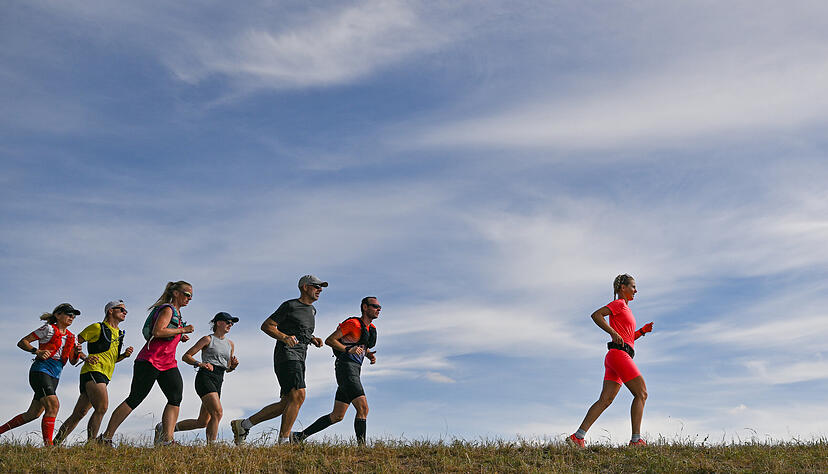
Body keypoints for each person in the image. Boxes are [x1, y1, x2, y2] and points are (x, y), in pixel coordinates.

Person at [231, 275, 326, 445]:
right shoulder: (290, 305)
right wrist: (284, 337)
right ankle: (284, 442)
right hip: (286, 355)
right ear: (305, 287)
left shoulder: (312, 310)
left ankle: (243, 425)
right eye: (316, 286)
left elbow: (300, 330)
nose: (320, 290)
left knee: (287, 403)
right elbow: (267, 325)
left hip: (300, 357)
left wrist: (312, 339)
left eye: (321, 287)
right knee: (299, 394)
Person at [100, 281, 195, 446]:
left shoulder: (177, 314)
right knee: (135, 398)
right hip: (149, 360)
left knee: (175, 397)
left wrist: (179, 336)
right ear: (176, 293)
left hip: (168, 363)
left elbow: (166, 333)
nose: (189, 298)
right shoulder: (168, 309)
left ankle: (167, 440)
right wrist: (182, 330)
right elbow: (157, 332)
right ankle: (106, 438)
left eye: (191, 296)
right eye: (187, 294)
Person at [566, 274, 654, 448]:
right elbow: (597, 315)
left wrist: (642, 331)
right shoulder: (619, 304)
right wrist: (612, 332)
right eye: (633, 287)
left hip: (618, 355)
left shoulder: (626, 309)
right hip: (619, 356)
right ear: (623, 288)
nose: (636, 290)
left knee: (605, 399)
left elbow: (627, 338)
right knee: (641, 393)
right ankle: (636, 441)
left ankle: (577, 437)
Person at [292, 296, 380, 445]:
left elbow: (358, 346)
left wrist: (367, 354)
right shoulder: (352, 323)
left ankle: (298, 437)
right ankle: (362, 449)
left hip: (354, 370)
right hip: (346, 369)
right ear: (365, 307)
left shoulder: (371, 329)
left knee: (337, 415)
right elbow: (330, 340)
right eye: (375, 306)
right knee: (363, 408)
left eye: (379, 307)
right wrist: (347, 349)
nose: (378, 309)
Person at [0, 303, 86, 446]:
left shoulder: (73, 337)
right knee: (53, 405)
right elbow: (22, 342)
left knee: (33, 414)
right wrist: (36, 351)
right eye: (68, 314)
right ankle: (49, 447)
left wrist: (77, 353)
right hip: (40, 371)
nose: (72, 317)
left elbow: (72, 361)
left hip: (55, 376)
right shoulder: (48, 329)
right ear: (58, 315)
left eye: (74, 315)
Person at [53, 300, 135, 445]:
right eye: (122, 310)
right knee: (102, 407)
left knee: (79, 413)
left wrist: (124, 355)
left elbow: (112, 359)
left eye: (125, 311)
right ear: (110, 311)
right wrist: (84, 357)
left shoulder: (119, 333)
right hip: (92, 372)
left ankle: (54, 444)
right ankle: (91, 444)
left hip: (105, 375)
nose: (125, 312)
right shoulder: (97, 327)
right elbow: (73, 342)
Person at [161, 312, 239, 444]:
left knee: (202, 422)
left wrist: (233, 366)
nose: (230, 325)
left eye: (232, 323)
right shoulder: (207, 339)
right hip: (205, 378)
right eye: (228, 322)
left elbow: (227, 368)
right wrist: (199, 363)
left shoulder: (230, 344)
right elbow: (186, 356)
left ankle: (165, 429)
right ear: (219, 322)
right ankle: (212, 448)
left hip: (219, 380)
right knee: (218, 413)